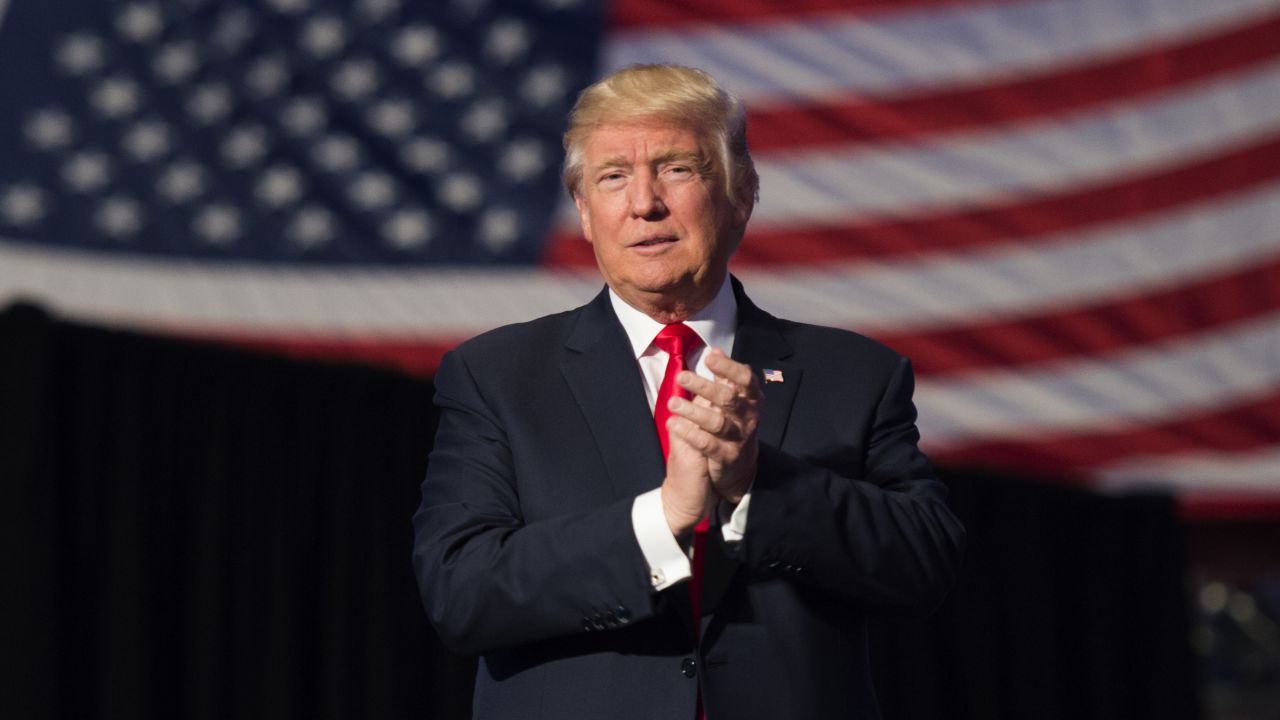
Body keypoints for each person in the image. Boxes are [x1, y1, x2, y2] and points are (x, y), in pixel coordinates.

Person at [412, 64, 965, 719]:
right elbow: (460, 592)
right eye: (613, 177)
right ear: (586, 213)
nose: (644, 203)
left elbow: (924, 565)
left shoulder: (855, 375)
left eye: (676, 169)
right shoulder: (498, 375)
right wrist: (663, 516)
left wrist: (756, 484)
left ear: (740, 195)